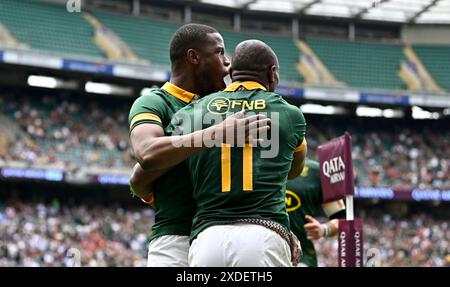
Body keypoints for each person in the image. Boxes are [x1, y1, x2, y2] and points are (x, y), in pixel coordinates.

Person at [128, 24, 269, 267]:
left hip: (230, 238)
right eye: (220, 53)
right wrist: (216, 134)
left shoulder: (229, 106)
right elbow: (147, 153)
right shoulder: (154, 103)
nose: (229, 64)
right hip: (176, 237)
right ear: (194, 57)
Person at [167, 39, 307, 267]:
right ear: (272, 73)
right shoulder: (290, 114)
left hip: (207, 239)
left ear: (231, 72)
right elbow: (295, 170)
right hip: (264, 237)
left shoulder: (190, 111)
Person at [286, 159, 346, 267]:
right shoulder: (254, 162)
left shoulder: (318, 172)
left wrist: (323, 229)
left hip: (299, 257)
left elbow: (342, 219)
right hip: (259, 249)